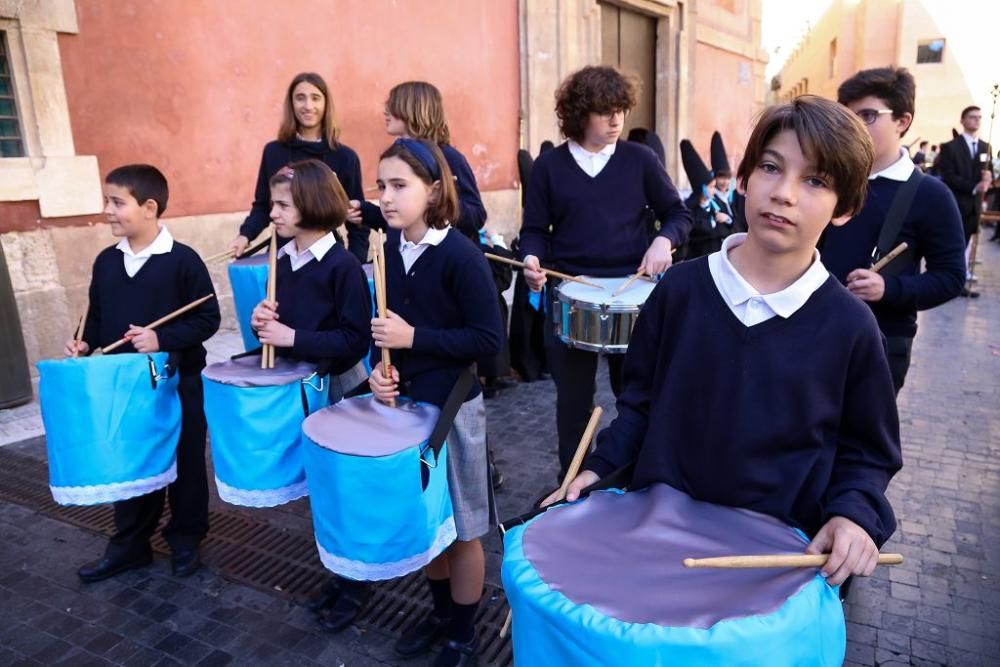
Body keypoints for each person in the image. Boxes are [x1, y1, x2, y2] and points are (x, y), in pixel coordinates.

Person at [553, 96, 903, 593]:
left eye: (815, 181)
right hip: (662, 544)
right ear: (743, 178)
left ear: (844, 208)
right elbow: (640, 406)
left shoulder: (851, 327)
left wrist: (853, 514)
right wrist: (602, 467)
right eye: (770, 167)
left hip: (775, 561)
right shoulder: (678, 291)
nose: (783, 193)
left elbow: (867, 453)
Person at [367, 138, 503, 667]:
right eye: (382, 186)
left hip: (453, 412)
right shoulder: (387, 252)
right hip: (405, 411)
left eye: (400, 185)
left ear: (434, 188)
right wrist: (382, 374)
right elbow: (380, 331)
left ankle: (463, 633)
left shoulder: (461, 256)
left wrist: (414, 339)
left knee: (463, 528)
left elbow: (488, 342)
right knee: (428, 524)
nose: (387, 197)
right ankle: (441, 613)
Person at [519, 65, 690, 476]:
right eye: (605, 111)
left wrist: (663, 240)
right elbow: (534, 231)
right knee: (573, 405)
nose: (617, 120)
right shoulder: (549, 167)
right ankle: (573, 485)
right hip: (572, 290)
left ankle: (636, 477)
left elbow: (678, 214)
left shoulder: (640, 160)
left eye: (621, 110)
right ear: (580, 114)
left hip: (635, 294)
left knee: (635, 396)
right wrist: (531, 260)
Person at [67, 164, 221, 582]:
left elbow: (207, 318)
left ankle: (186, 540)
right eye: (108, 201)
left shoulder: (183, 261)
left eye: (117, 202)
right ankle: (130, 545)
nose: (108, 211)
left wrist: (163, 339)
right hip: (126, 385)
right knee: (131, 464)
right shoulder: (107, 261)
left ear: (150, 207)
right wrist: (84, 342)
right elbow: (96, 318)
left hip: (178, 383)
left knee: (185, 465)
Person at [821, 66, 965, 393]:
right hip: (811, 327)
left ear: (902, 121)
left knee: (862, 441)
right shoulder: (826, 181)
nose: (854, 126)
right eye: (846, 116)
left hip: (880, 339)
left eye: (868, 115)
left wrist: (889, 288)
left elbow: (951, 277)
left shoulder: (931, 195)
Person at [229, 72, 370, 264]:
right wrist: (245, 236)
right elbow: (263, 206)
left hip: (328, 257)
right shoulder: (273, 151)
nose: (308, 106)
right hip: (283, 256)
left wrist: (356, 262)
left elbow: (357, 221)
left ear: (326, 104)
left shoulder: (345, 157)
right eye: (300, 98)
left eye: (315, 98)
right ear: (291, 104)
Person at [936, 105, 993, 297]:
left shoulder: (986, 147)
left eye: (979, 117)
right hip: (955, 202)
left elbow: (987, 170)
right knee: (954, 244)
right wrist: (973, 186)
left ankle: (959, 278)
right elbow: (949, 176)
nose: (976, 120)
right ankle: (952, 281)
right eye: (972, 117)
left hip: (974, 206)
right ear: (962, 120)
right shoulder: (950, 147)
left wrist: (988, 178)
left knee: (967, 242)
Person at [679, 138, 732, 260]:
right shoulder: (688, 207)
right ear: (703, 188)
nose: (714, 190)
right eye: (711, 187)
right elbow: (697, 232)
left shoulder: (716, 203)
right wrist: (712, 223)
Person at [711, 130, 747, 233]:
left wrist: (728, 219)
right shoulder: (711, 199)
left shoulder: (737, 196)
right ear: (714, 178)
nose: (724, 182)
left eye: (727, 178)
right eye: (721, 178)